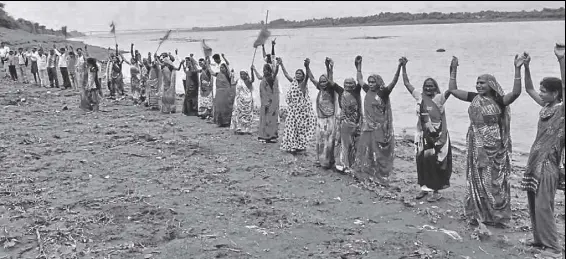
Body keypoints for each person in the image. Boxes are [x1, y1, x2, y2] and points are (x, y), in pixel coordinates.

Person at [449, 55, 523, 229]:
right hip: (476, 142)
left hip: (494, 146)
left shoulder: (499, 100)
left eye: (482, 83)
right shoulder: (474, 97)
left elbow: (516, 93)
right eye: (477, 82)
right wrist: (453, 69)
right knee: (476, 178)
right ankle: (478, 212)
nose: (479, 85)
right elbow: (453, 90)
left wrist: (518, 69)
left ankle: (496, 215)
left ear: (491, 85)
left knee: (494, 179)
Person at [520, 45, 565, 259]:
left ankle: (554, 248)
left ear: (556, 93)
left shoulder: (561, 110)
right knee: (533, 202)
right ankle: (540, 241)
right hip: (535, 160)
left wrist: (561, 60)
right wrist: (525, 67)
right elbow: (528, 89)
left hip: (548, 162)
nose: (540, 93)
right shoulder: (545, 107)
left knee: (544, 205)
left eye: (544, 91)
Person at [401, 56, 455, 202]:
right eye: (426, 86)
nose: (428, 88)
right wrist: (403, 67)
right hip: (421, 135)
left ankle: (436, 191)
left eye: (431, 85)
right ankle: (424, 188)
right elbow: (406, 83)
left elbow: (451, 89)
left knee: (435, 162)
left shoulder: (439, 99)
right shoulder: (419, 97)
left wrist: (453, 70)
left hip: (437, 137)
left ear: (435, 87)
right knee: (421, 161)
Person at [352, 56, 401, 186]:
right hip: (367, 126)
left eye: (373, 82)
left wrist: (400, 67)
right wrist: (359, 67)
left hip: (380, 128)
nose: (371, 84)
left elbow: (394, 82)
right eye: (370, 82)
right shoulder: (367, 89)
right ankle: (366, 171)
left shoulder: (383, 92)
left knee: (379, 151)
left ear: (378, 82)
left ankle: (381, 174)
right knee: (365, 148)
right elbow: (359, 79)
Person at [306, 57, 344, 169]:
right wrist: (307, 67)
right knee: (320, 140)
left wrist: (329, 68)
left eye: (325, 81)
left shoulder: (330, 89)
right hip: (320, 119)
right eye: (321, 81)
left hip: (329, 119)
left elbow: (330, 79)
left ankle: (328, 161)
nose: (323, 83)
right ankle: (320, 159)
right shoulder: (320, 88)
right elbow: (312, 78)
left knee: (329, 141)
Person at [335, 57, 366, 174]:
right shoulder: (341, 92)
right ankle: (344, 165)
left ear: (354, 85)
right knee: (345, 144)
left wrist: (358, 67)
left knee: (356, 144)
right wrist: (330, 68)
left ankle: (354, 164)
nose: (348, 84)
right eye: (346, 83)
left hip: (357, 122)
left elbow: (360, 80)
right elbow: (330, 82)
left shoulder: (356, 92)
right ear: (343, 84)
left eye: (351, 83)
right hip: (345, 123)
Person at [279, 57, 316, 154]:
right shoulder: (294, 82)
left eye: (300, 73)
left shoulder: (303, 84)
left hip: (301, 111)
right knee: (291, 127)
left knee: (300, 128)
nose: (297, 75)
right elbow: (286, 74)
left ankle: (301, 146)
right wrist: (281, 64)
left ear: (302, 76)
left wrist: (307, 66)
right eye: (296, 73)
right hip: (292, 110)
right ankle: (292, 145)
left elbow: (308, 76)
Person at [252, 61, 280, 143]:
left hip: (270, 102)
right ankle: (264, 135)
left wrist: (278, 66)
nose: (265, 71)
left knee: (270, 119)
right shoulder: (264, 78)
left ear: (270, 71)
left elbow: (275, 73)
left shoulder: (271, 78)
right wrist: (254, 69)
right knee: (264, 119)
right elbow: (258, 76)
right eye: (264, 70)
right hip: (264, 102)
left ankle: (272, 136)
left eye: (266, 70)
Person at [206, 55, 236, 126]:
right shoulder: (218, 74)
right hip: (219, 93)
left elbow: (232, 82)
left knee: (226, 107)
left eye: (223, 67)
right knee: (218, 106)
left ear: (225, 68)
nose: (221, 69)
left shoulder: (228, 75)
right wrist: (208, 66)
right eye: (221, 67)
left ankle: (226, 121)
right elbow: (212, 73)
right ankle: (219, 121)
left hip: (226, 93)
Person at [231, 68, 255, 134]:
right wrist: (232, 75)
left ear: (246, 75)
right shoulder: (238, 80)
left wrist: (252, 71)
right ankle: (239, 128)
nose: (242, 76)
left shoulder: (248, 81)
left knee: (247, 115)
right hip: (239, 100)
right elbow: (232, 83)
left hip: (247, 100)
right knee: (239, 114)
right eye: (241, 74)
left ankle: (247, 128)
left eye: (243, 74)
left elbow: (253, 80)